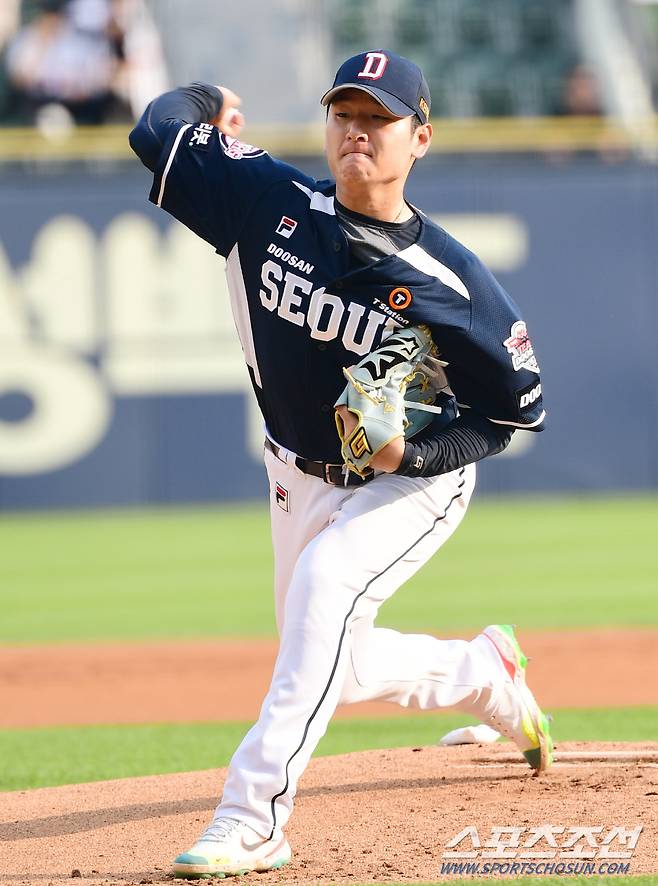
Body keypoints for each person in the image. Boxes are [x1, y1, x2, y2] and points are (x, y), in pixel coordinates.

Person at [129, 49, 551, 879]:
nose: (358, 131)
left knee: (325, 596)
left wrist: (418, 452)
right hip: (295, 474)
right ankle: (482, 670)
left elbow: (515, 412)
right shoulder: (265, 199)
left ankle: (252, 817)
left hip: (410, 484)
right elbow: (157, 129)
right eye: (345, 114)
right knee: (334, 661)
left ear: (419, 139)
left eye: (380, 119)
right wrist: (212, 100)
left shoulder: (450, 282)